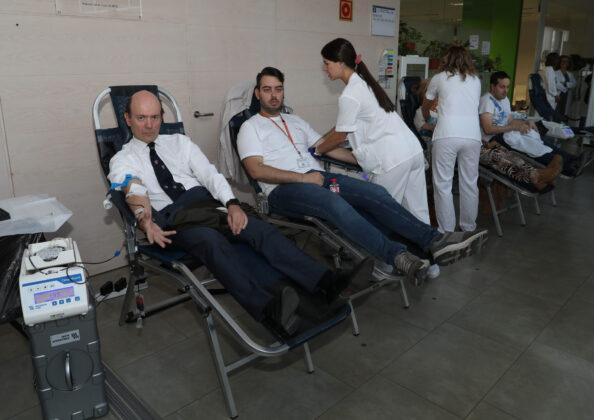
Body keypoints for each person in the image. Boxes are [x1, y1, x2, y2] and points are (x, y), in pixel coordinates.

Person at [108, 90, 374, 337]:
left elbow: (210, 175)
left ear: (162, 118)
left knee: (257, 228)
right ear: (128, 119)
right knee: (210, 241)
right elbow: (133, 188)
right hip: (172, 219)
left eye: (155, 117)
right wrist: (145, 219)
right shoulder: (123, 158)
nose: (149, 125)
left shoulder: (180, 142)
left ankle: (327, 283)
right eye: (141, 118)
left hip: (205, 205)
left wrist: (232, 204)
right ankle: (269, 309)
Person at [237, 67, 488, 287]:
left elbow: (325, 146)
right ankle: (396, 256)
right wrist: (303, 178)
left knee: (375, 193)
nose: (273, 95)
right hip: (284, 190)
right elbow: (256, 170)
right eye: (267, 89)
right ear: (258, 94)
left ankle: (435, 241)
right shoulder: (250, 127)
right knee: (336, 204)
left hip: (321, 179)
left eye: (278, 89)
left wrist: (362, 161)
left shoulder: (296, 121)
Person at [313, 38, 438, 278]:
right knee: (417, 213)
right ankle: (432, 265)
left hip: (392, 160)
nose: (325, 68)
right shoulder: (365, 83)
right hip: (411, 152)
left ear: (340, 63)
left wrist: (318, 150)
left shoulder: (349, 94)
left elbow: (340, 135)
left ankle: (386, 266)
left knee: (382, 215)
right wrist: (320, 140)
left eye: (327, 63)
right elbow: (341, 126)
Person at [413, 80, 560, 190]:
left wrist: (481, 140)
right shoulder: (421, 112)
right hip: (450, 150)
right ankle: (534, 177)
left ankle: (537, 174)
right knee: (495, 157)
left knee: (502, 151)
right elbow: (429, 128)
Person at [479, 71, 588, 177]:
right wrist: (515, 127)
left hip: (507, 132)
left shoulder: (504, 100)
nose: (506, 90)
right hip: (494, 139)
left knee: (537, 138)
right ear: (493, 87)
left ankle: (573, 160)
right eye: (502, 87)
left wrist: (525, 123)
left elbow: (510, 120)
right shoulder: (486, 101)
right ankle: (568, 167)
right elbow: (488, 129)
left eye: (507, 87)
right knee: (533, 148)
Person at [421, 43, 482, 233]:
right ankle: (468, 227)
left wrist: (427, 116)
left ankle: (446, 230)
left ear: (446, 59)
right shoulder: (476, 80)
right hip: (472, 136)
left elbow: (426, 105)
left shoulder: (439, 79)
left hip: (447, 135)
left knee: (443, 184)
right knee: (469, 183)